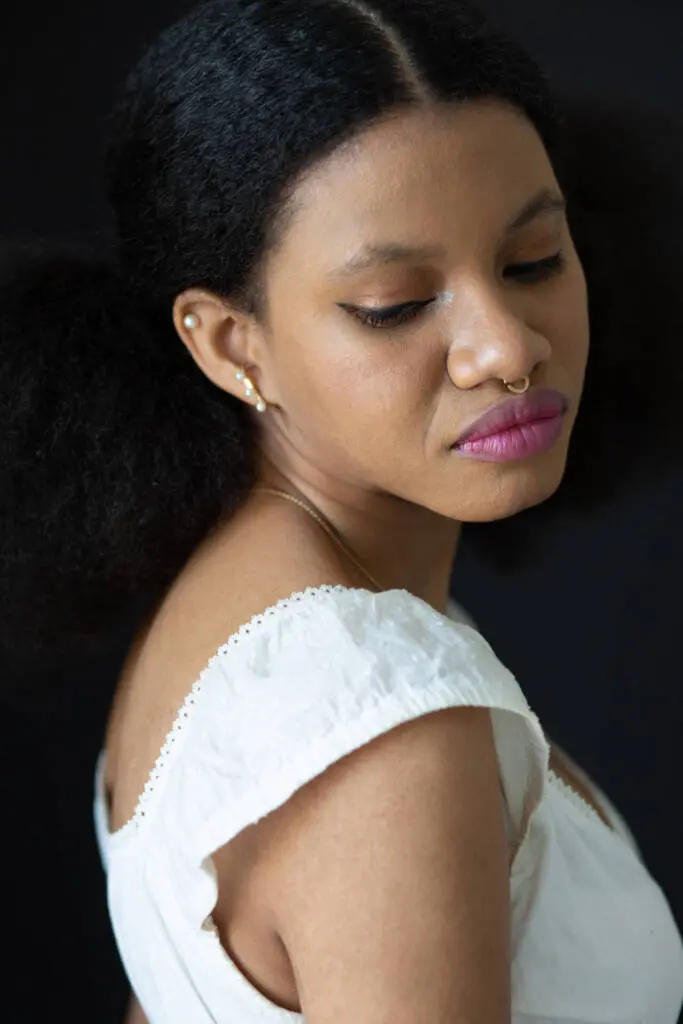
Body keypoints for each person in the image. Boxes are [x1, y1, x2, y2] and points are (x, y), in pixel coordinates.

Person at [1, 1, 683, 1021]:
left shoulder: (243, 601)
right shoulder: (382, 729)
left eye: (532, 259)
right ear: (232, 344)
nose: (504, 345)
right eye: (395, 303)